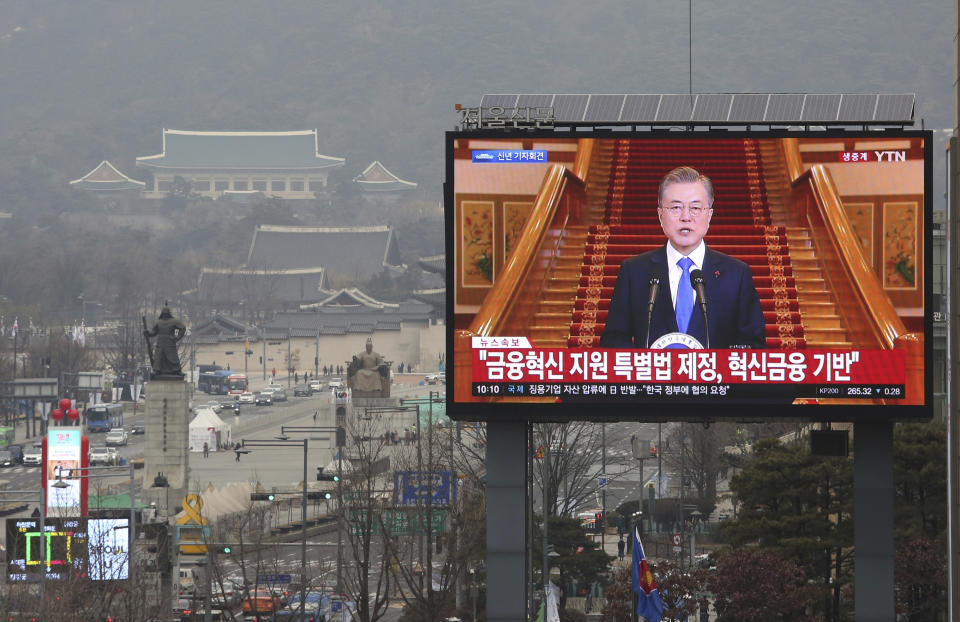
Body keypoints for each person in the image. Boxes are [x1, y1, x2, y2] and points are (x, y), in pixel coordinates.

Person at [599, 166, 766, 349]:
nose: (686, 217)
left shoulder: (736, 274)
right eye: (676, 207)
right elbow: (613, 340)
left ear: (709, 215)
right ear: (660, 214)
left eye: (695, 208)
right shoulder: (634, 271)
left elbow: (753, 345)